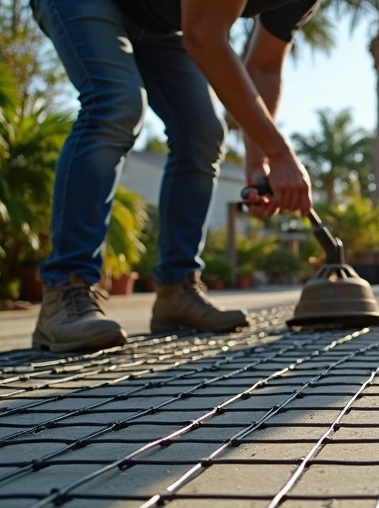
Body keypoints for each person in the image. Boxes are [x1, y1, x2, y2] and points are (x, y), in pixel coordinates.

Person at [30, 0, 318, 352]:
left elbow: (264, 67)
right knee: (115, 104)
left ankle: (177, 291)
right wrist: (280, 152)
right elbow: (203, 36)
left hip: (160, 24)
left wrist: (260, 164)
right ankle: (65, 290)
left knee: (203, 132)